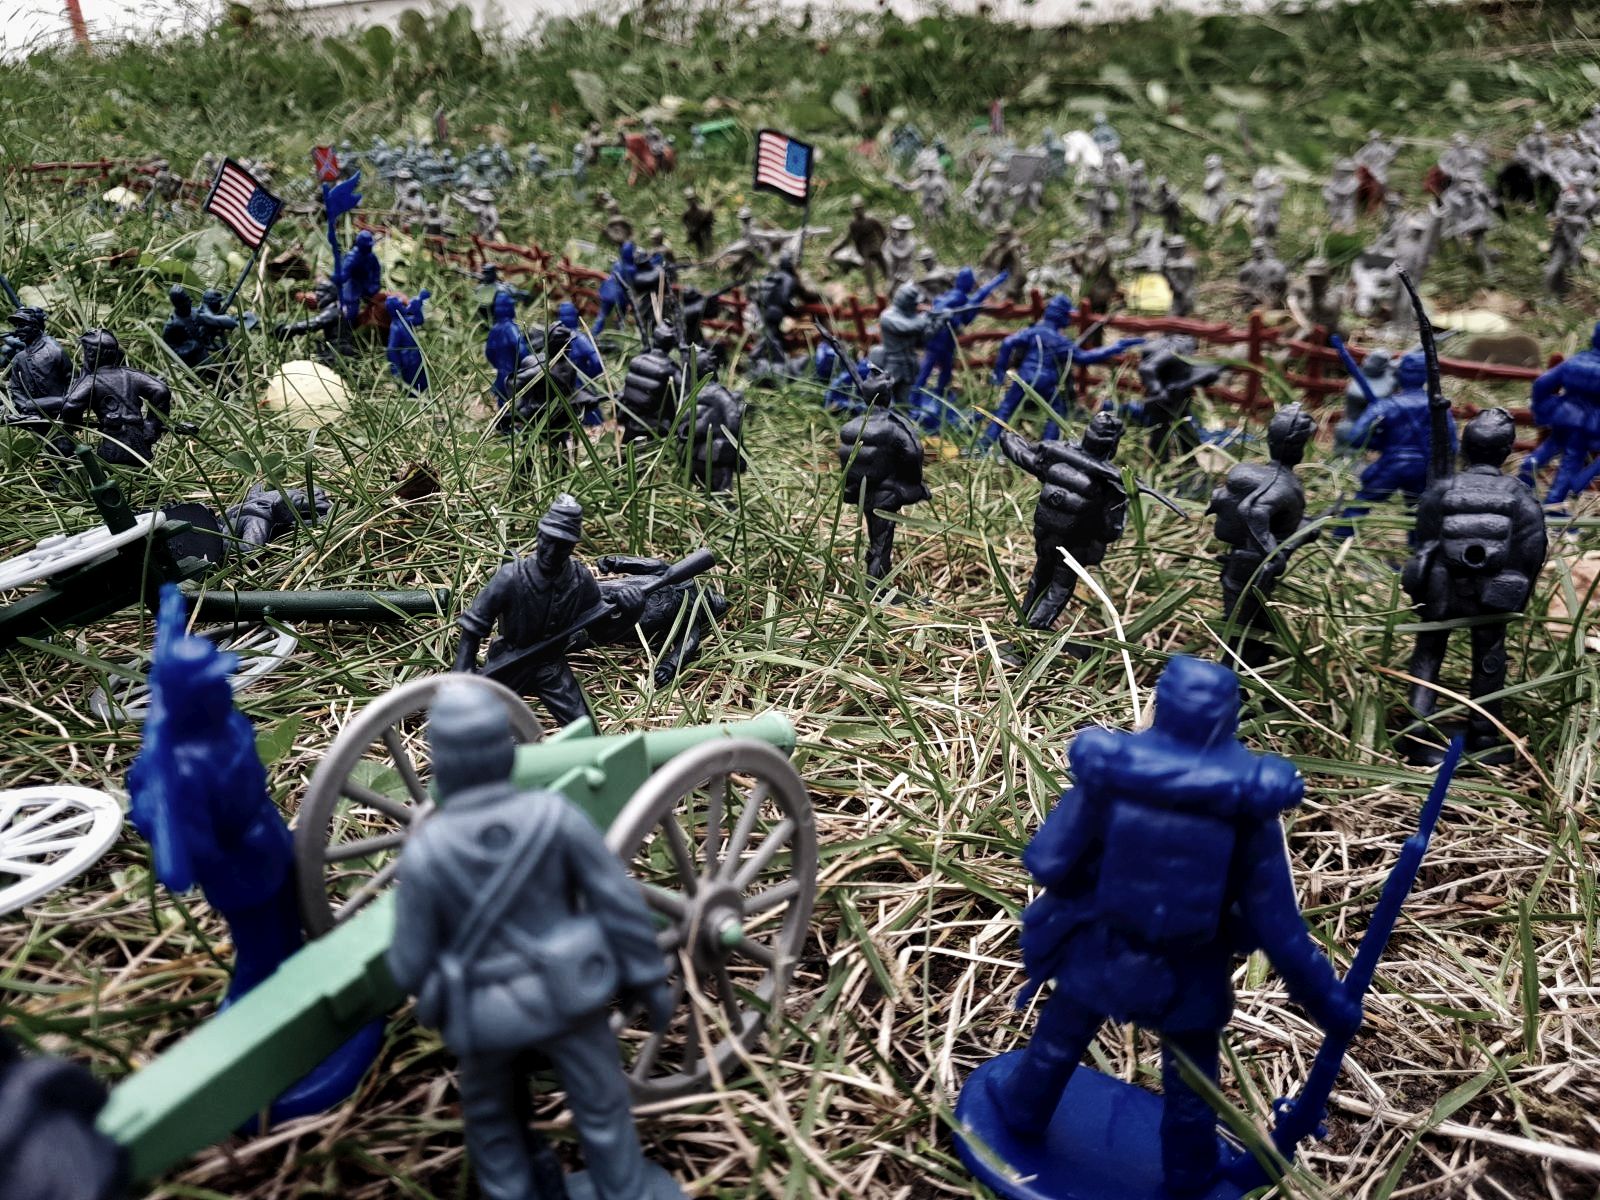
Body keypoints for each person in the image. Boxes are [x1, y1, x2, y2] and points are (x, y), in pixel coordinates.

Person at [980, 655, 1359, 1198]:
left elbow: (1048, 860)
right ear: (1228, 718)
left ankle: (1022, 1111)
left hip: (1104, 946)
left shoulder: (1112, 775)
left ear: (1162, 707)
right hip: (1191, 968)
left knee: (1058, 1043)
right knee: (1192, 1085)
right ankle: (1188, 1173)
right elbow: (1278, 926)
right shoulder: (1248, 804)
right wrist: (1328, 1003)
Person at [387, 683, 679, 1200]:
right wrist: (649, 978)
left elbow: (409, 963)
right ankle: (625, 1191)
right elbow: (618, 902)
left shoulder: (426, 852)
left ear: (441, 764)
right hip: (569, 995)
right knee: (602, 1107)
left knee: (493, 1121)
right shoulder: (555, 817)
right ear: (506, 753)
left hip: (483, 1012)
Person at [1404, 409, 1546, 761]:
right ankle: (1484, 732)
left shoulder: (1443, 489)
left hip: (1442, 585)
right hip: (1492, 589)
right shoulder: (1519, 494)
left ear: (1465, 448)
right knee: (1489, 655)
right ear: (1507, 451)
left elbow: (1423, 537)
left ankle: (1417, 722)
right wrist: (1519, 591)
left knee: (1428, 650)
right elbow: (1532, 546)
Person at [453, 495, 645, 728]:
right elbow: (473, 626)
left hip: (551, 667)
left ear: (572, 547)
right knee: (471, 724)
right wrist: (463, 672)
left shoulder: (580, 580)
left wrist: (630, 614)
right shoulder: (510, 578)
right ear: (539, 536)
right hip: (510, 663)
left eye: (562, 545)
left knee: (583, 729)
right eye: (548, 540)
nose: (551, 551)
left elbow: (601, 632)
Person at [998, 411, 1128, 634]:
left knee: (1039, 578)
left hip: (1046, 534)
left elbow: (1022, 455)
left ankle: (1024, 621)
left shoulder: (1058, 460)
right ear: (1112, 446)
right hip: (1073, 546)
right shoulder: (1110, 487)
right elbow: (1111, 531)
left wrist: (1007, 438)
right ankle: (1033, 629)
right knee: (1059, 587)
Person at [1208, 404, 1315, 667]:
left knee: (1258, 626)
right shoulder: (1281, 483)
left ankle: (1251, 665)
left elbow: (1276, 520)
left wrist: (1305, 528)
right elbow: (1253, 511)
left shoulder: (1275, 478)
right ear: (1300, 446)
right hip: (1252, 567)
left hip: (1248, 564)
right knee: (1241, 628)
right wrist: (1272, 552)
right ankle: (1231, 677)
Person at [981, 296, 1142, 450]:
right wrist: (1115, 348)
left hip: (1024, 376)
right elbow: (1084, 357)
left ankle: (983, 446)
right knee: (1056, 414)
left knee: (1005, 409)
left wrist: (999, 371)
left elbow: (1008, 342)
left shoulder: (1034, 331)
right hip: (1046, 381)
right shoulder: (1060, 341)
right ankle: (1047, 450)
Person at [1334, 351, 1456, 536]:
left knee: (1362, 502)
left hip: (1391, 464)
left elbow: (1356, 437)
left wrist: (1380, 442)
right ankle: (1418, 547)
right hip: (1424, 467)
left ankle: (1340, 538)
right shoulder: (1439, 407)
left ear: (1399, 375)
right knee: (1419, 511)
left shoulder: (1385, 406)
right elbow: (1451, 445)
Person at [838, 366, 929, 590]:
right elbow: (913, 454)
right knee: (881, 542)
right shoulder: (894, 427)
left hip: (861, 492)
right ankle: (877, 588)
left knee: (876, 536)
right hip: (887, 493)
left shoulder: (851, 427)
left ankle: (875, 578)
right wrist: (913, 484)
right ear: (887, 395)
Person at [61, 330, 173, 468]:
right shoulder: (130, 375)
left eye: (86, 352)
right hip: (139, 442)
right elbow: (160, 390)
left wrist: (73, 422)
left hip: (114, 443)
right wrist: (152, 423)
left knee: (111, 472)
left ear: (92, 355)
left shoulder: (91, 381)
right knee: (141, 471)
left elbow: (71, 406)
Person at [484, 290, 530, 406]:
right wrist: (528, 364)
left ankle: (503, 414)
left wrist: (498, 365)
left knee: (502, 398)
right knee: (517, 399)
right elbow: (521, 349)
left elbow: (489, 352)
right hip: (513, 372)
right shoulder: (511, 329)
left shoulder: (494, 330)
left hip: (501, 372)